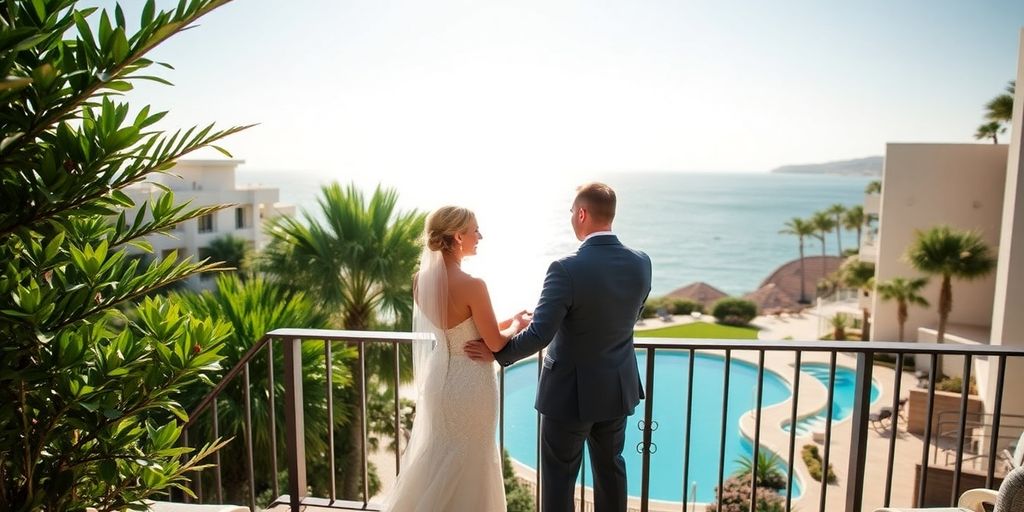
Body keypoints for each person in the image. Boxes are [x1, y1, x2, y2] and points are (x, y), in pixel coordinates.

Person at [466, 182, 652, 512]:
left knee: (559, 480)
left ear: (582, 214)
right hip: (616, 388)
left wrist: (499, 353)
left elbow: (540, 334)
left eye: (571, 212)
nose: (570, 218)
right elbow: (631, 316)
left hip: (569, 394)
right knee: (611, 472)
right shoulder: (642, 263)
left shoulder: (565, 268)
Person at [383, 206, 531, 512]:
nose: (480, 236)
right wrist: (517, 325)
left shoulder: (419, 281)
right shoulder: (474, 285)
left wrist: (505, 321)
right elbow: (493, 342)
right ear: (457, 236)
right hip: (472, 381)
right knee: (473, 456)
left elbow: (459, 330)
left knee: (439, 451)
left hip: (440, 377)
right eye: (474, 230)